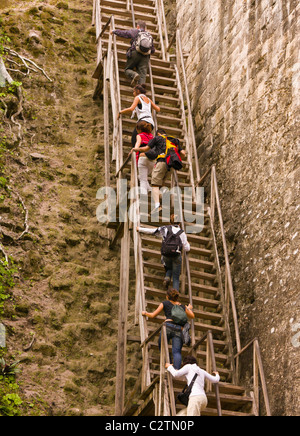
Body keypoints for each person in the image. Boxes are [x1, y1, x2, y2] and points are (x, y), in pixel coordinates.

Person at [132, 129, 186, 213]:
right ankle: (164, 199)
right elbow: (183, 153)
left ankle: (157, 205)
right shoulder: (175, 140)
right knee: (161, 183)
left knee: (155, 185)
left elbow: (146, 148)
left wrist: (136, 149)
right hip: (171, 165)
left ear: (158, 133)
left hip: (161, 162)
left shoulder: (157, 138)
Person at [142, 288, 194, 369]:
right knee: (176, 352)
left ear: (167, 297)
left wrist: (145, 313)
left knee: (162, 345)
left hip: (168, 326)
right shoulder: (182, 306)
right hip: (178, 329)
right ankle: (176, 371)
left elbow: (153, 315)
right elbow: (192, 316)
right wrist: (188, 308)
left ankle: (168, 364)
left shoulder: (165, 303)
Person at [137, 214, 190, 291]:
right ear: (179, 223)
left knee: (169, 267)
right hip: (176, 256)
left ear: (170, 222)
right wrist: (187, 243)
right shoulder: (182, 233)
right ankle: (174, 299)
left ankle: (167, 277)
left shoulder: (165, 229)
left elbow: (152, 231)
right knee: (176, 278)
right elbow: (187, 248)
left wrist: (139, 229)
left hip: (166, 255)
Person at [111, 20, 155, 86]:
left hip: (135, 53)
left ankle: (134, 74)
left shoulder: (136, 31)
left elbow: (125, 33)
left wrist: (114, 31)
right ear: (145, 28)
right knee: (142, 76)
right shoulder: (149, 36)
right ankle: (141, 92)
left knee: (127, 69)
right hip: (145, 57)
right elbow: (153, 50)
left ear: (138, 26)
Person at [131, 120, 155, 195]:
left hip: (142, 158)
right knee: (143, 177)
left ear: (139, 129)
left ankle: (143, 196)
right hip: (152, 160)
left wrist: (133, 150)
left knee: (143, 180)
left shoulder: (139, 135)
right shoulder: (152, 136)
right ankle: (150, 189)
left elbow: (137, 144)